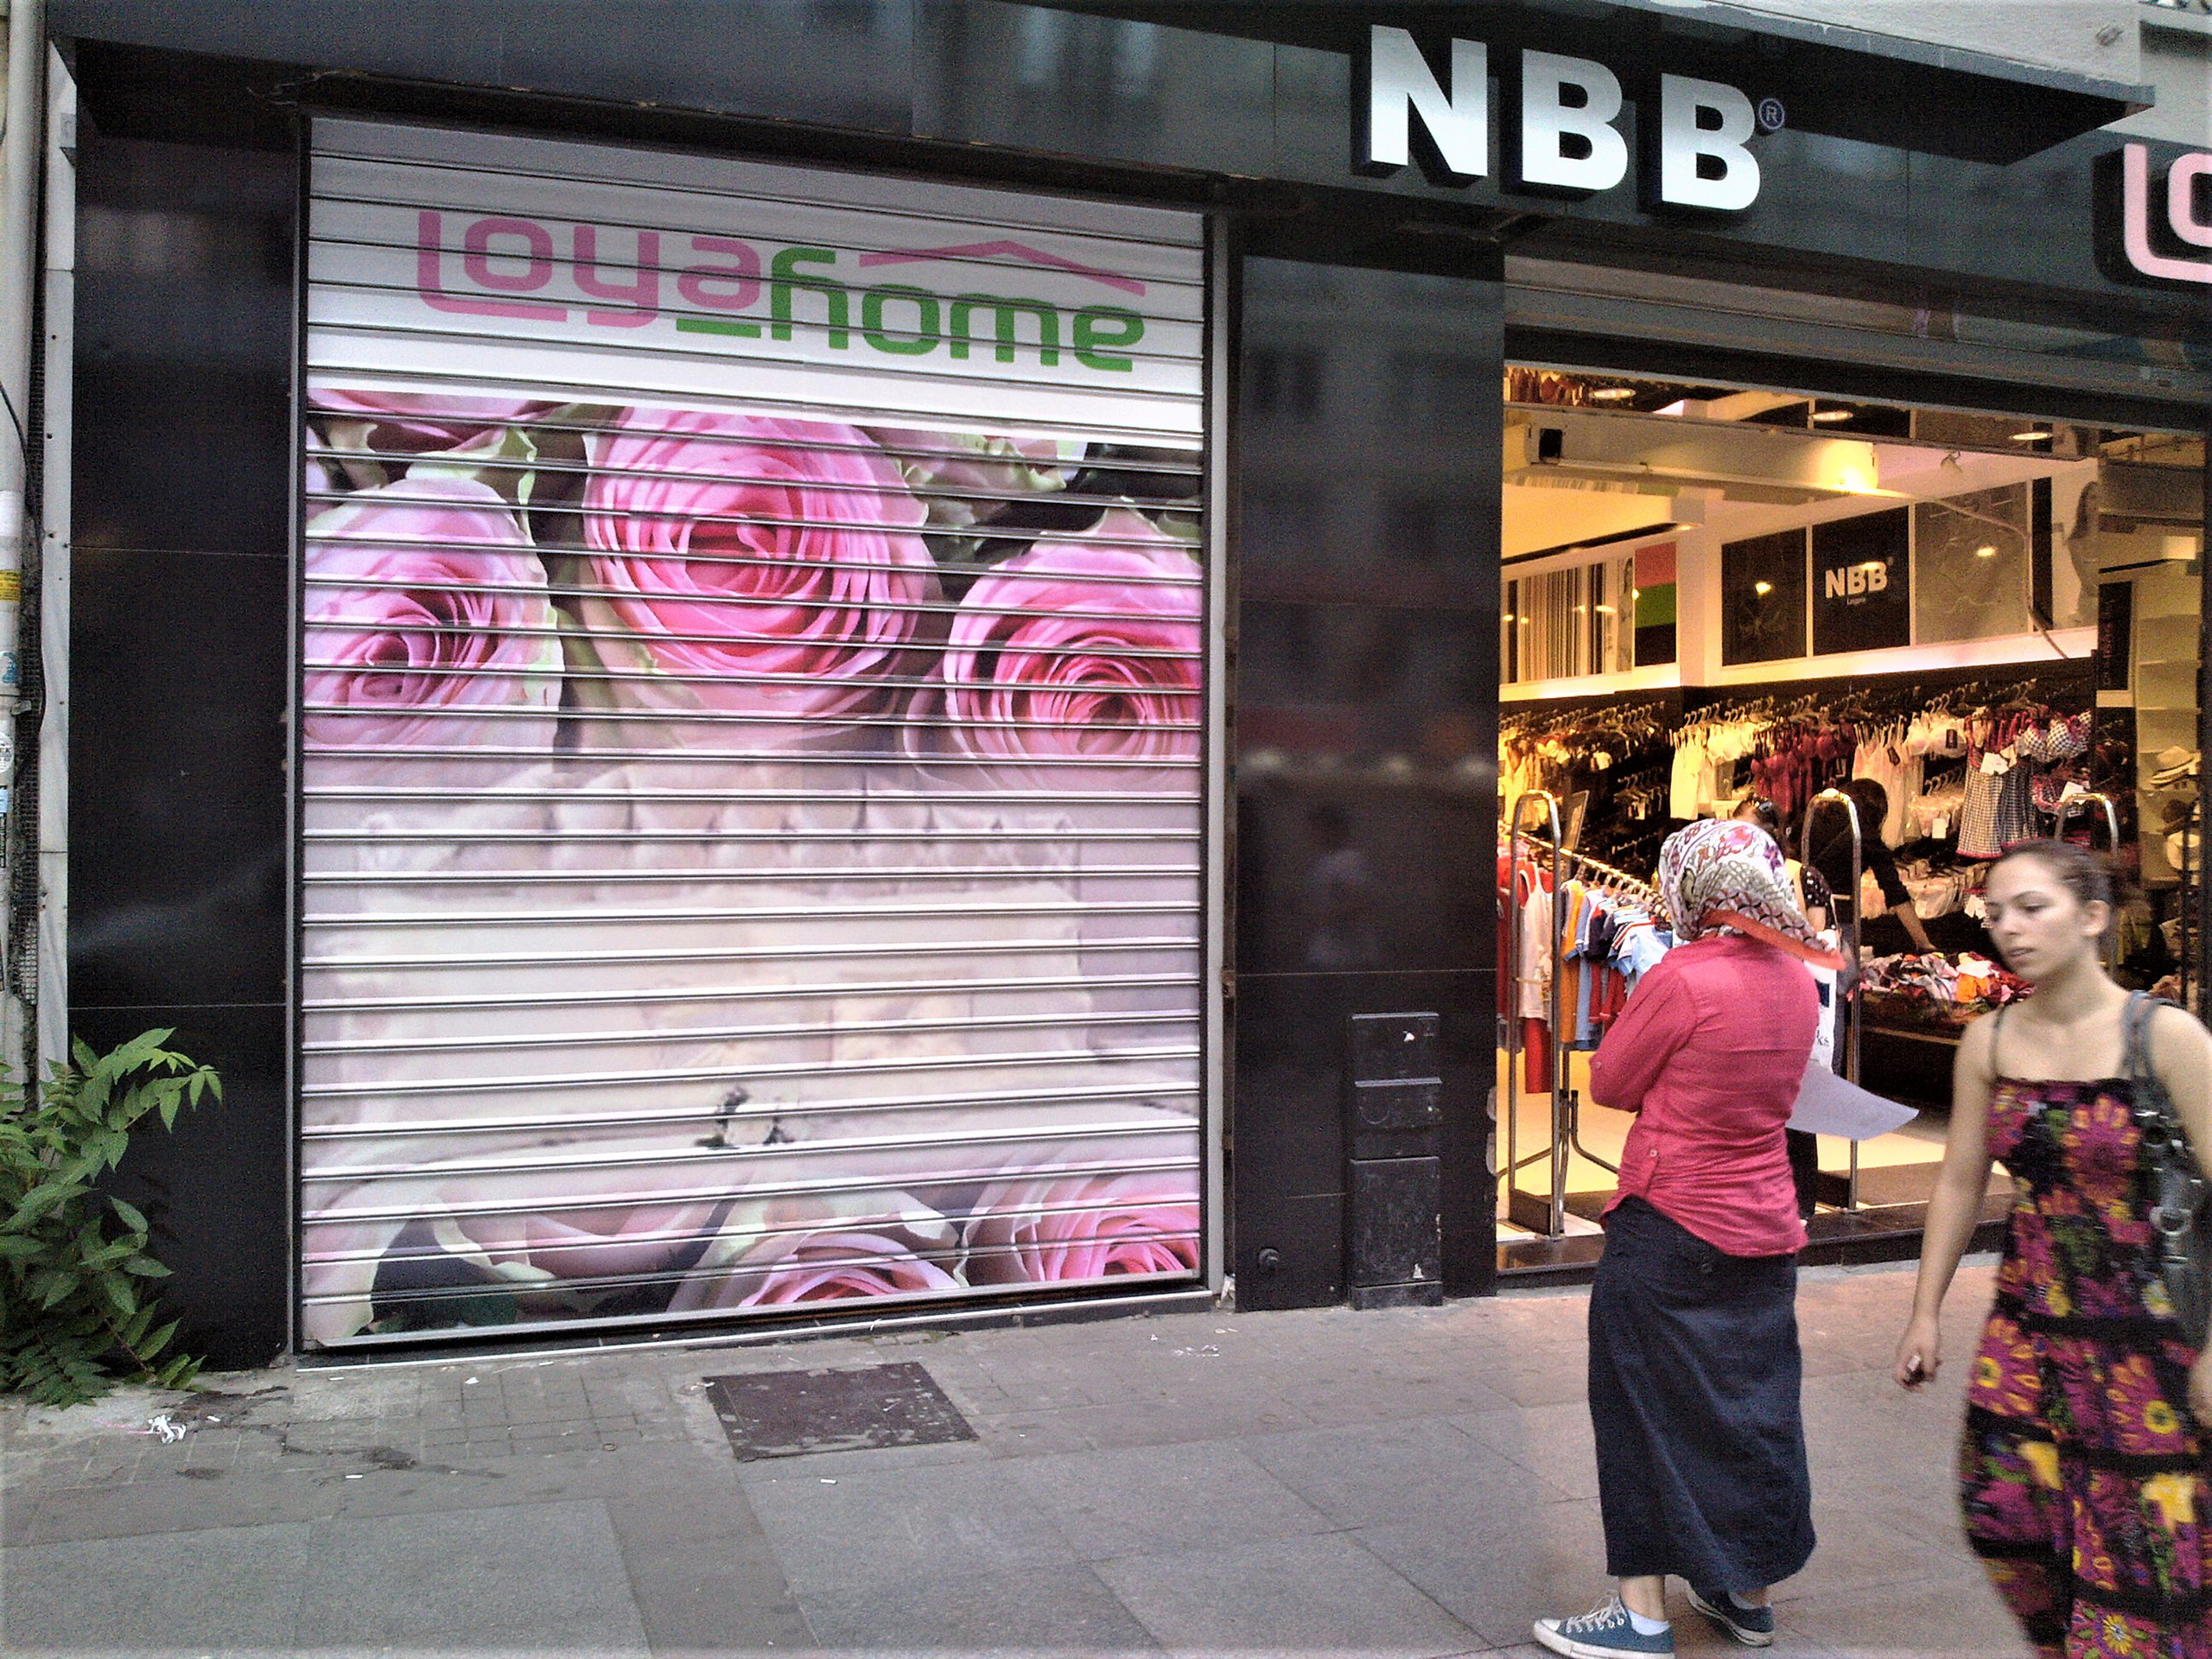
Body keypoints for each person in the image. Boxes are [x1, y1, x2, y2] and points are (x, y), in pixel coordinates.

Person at [1535, 817, 1845, 1658]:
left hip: (1670, 1222)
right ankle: (1747, 1594)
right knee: (1753, 1410)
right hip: (1766, 1224)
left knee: (1637, 1406)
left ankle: (1640, 1618)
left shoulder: (1680, 976)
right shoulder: (1797, 976)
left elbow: (1610, 1081)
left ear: (1691, 887)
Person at [1894, 840, 2212, 1657]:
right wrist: (1925, 1313)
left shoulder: (2164, 1036)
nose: (2009, 928)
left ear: (2094, 916)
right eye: (1997, 912)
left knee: (2137, 1542)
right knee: (2005, 1509)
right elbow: (1961, 1181)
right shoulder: (1991, 1039)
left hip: (2145, 1338)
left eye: (2033, 908)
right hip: (2029, 1324)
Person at [1735, 796, 1836, 1220]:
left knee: (1796, 1103)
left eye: (1752, 830)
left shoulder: (1802, 876)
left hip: (1792, 996)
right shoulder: (1735, 876)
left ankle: (1801, 1202)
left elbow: (1817, 941)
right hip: (1747, 997)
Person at [1805, 777, 1937, 957]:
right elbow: (1895, 893)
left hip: (1802, 908)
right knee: (1841, 969)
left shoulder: (1812, 819)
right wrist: (1923, 943)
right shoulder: (1867, 837)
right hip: (1839, 916)